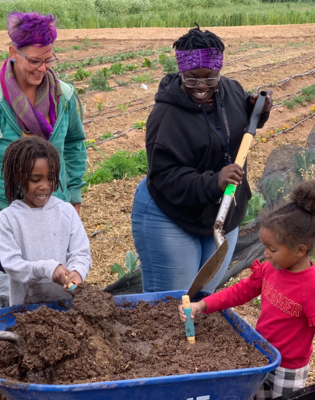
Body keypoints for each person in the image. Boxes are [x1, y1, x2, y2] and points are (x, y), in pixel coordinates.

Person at [131, 24, 273, 293]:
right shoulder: (166, 116)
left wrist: (259, 110)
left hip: (222, 212)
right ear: (181, 71)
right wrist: (214, 182)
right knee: (173, 302)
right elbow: (165, 176)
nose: (201, 86)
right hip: (170, 213)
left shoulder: (230, 90)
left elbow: (239, 123)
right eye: (192, 79)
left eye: (209, 78)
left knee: (204, 298)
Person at [179, 180, 315, 400]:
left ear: (300, 250)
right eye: (264, 247)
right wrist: (204, 304)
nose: (266, 254)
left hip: (288, 368)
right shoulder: (270, 269)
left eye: (272, 249)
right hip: (260, 355)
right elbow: (241, 291)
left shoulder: (310, 286)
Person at [0, 12, 87, 269]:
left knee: (56, 283)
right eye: (35, 60)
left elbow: (73, 144)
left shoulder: (64, 97)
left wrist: (74, 195)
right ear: (13, 53)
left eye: (49, 60)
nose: (43, 68)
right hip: (6, 214)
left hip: (53, 209)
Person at [0, 136, 91, 305]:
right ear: (18, 178)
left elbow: (81, 252)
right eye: (35, 179)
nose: (45, 186)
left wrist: (77, 272)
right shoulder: (8, 219)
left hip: (67, 306)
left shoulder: (66, 211)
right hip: (26, 311)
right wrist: (49, 269)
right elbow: (12, 265)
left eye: (51, 178)